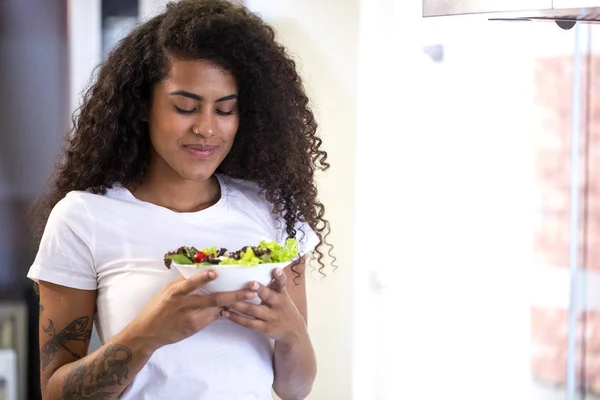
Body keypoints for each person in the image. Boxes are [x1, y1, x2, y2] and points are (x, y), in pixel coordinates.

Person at [26, 0, 333, 398]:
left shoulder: (275, 213)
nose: (206, 128)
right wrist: (147, 335)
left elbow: (295, 389)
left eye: (225, 110)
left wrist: (291, 333)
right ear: (142, 107)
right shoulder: (83, 218)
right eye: (185, 107)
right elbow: (55, 392)